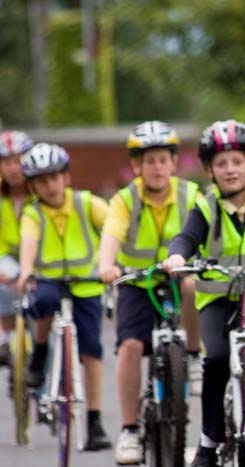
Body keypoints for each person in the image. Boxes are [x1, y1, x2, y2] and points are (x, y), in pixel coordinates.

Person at [162, 120, 245, 467]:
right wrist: (178, 255)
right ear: (209, 170)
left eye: (237, 161)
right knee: (217, 360)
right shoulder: (207, 207)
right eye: (221, 164)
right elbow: (187, 237)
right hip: (217, 296)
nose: (230, 170)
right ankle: (208, 442)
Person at [97, 121, 203, 465]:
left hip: (177, 278)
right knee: (129, 345)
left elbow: (208, 230)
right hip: (136, 283)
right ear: (137, 166)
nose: (156, 167)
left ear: (174, 163)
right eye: (149, 161)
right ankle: (129, 430)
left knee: (190, 284)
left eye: (162, 159)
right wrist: (107, 265)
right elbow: (111, 234)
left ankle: (193, 357)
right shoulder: (124, 200)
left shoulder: (191, 195)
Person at [17, 143, 112, 451]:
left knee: (92, 350)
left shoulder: (87, 203)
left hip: (87, 282)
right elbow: (29, 244)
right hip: (48, 281)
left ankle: (94, 421)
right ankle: (41, 351)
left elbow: (113, 227)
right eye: (42, 181)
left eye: (55, 177)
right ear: (33, 186)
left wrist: (113, 262)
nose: (50, 186)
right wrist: (26, 271)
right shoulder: (33, 213)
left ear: (66, 177)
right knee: (41, 303)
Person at [0, 131, 33, 367]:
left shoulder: (41, 192)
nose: (13, 168)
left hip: (37, 259)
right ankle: (4, 337)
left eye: (18, 160)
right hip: (5, 258)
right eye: (6, 162)